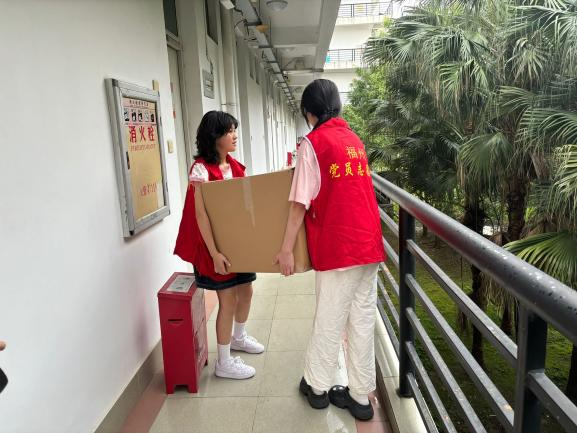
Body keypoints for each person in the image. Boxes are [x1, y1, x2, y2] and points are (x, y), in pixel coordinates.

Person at [274, 79, 386, 420]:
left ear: (309, 112)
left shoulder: (313, 143)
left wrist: (286, 249)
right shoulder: (354, 140)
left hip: (339, 247)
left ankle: (318, 388)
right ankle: (361, 399)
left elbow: (299, 203)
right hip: (369, 246)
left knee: (329, 318)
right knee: (361, 320)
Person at [174, 111, 264, 380]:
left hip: (237, 244)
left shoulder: (236, 167)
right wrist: (214, 253)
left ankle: (239, 337)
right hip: (213, 246)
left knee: (246, 290)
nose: (235, 135)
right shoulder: (200, 170)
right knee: (227, 299)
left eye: (235, 129)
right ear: (215, 136)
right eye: (229, 131)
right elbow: (200, 216)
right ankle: (223, 362)